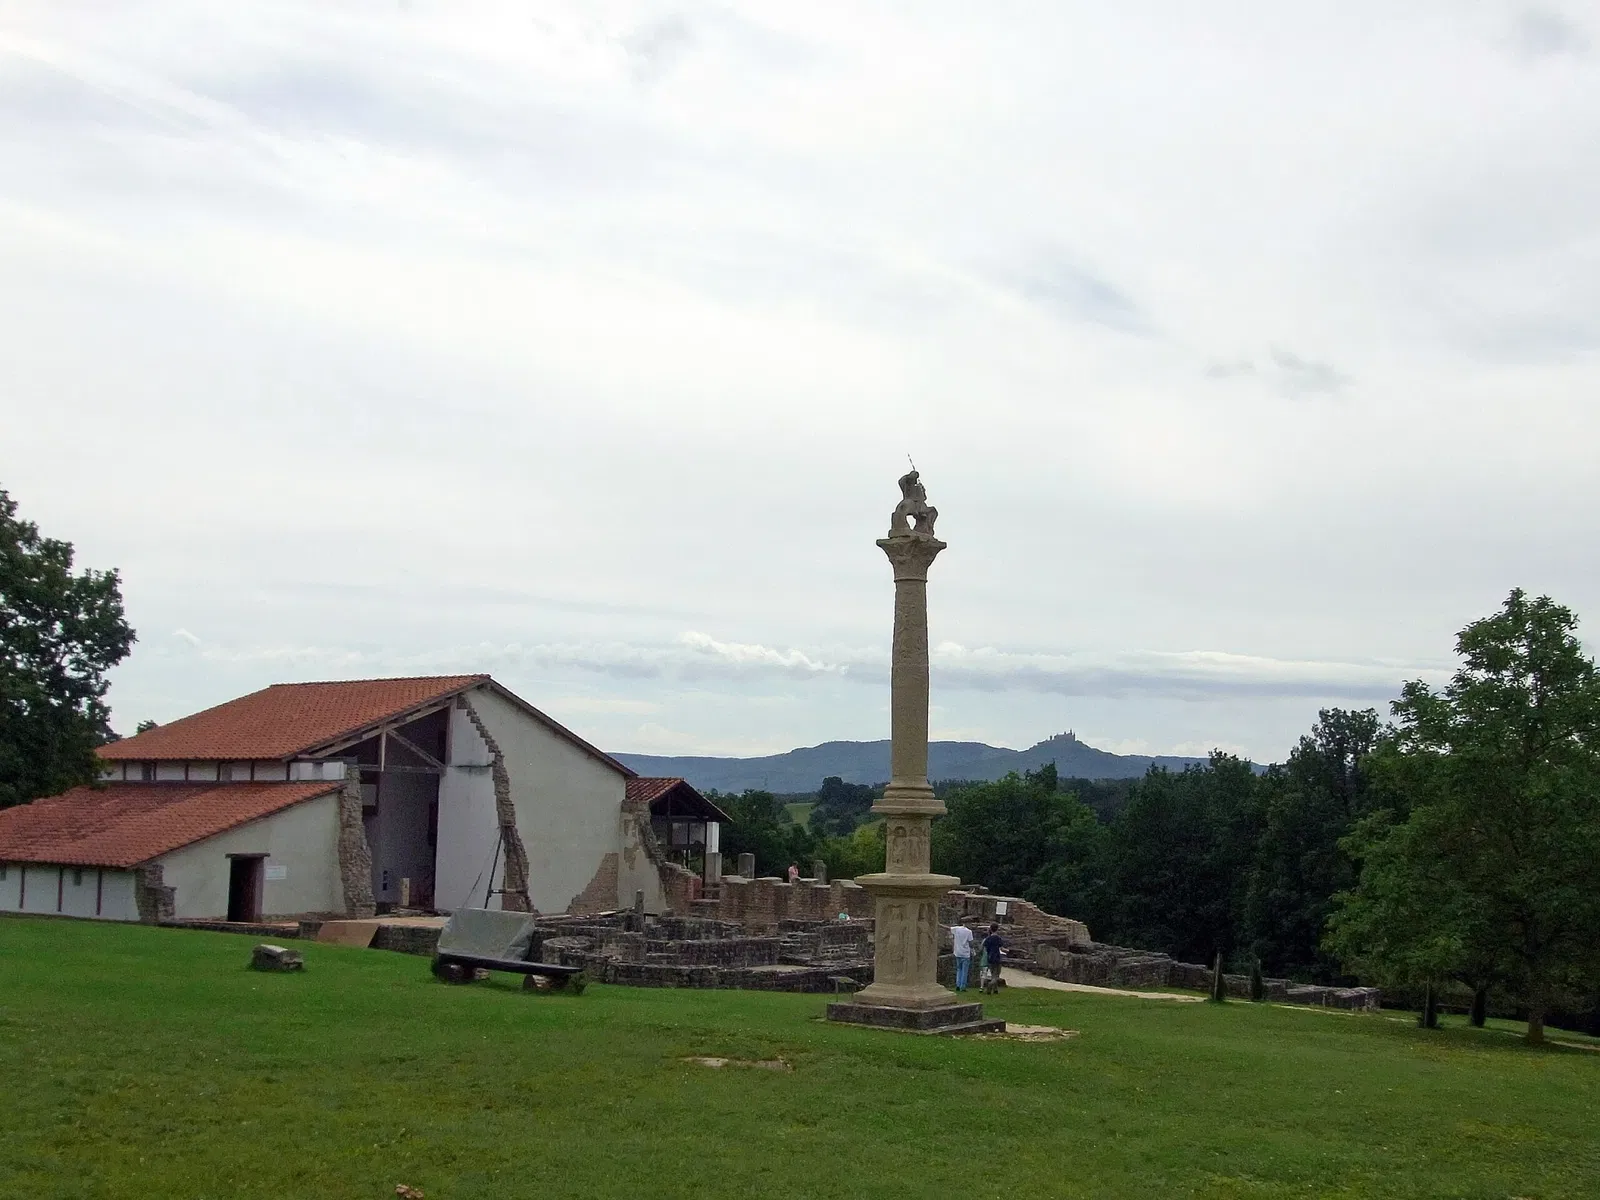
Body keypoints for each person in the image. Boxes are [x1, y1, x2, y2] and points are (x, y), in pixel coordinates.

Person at [980, 923, 1004, 994]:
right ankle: (990, 985)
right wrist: (1008, 951)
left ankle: (995, 990)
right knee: (996, 975)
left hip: (990, 957)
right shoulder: (998, 938)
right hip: (996, 957)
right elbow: (1001, 948)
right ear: (997, 929)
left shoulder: (988, 939)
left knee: (993, 973)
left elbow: (984, 947)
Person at [950, 921, 974, 992]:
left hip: (958, 952)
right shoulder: (969, 932)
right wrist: (972, 950)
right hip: (965, 953)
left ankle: (957, 984)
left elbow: (948, 928)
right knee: (964, 971)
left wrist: (939, 924)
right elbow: (971, 942)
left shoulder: (957, 929)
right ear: (967, 923)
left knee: (959, 969)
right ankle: (962, 986)